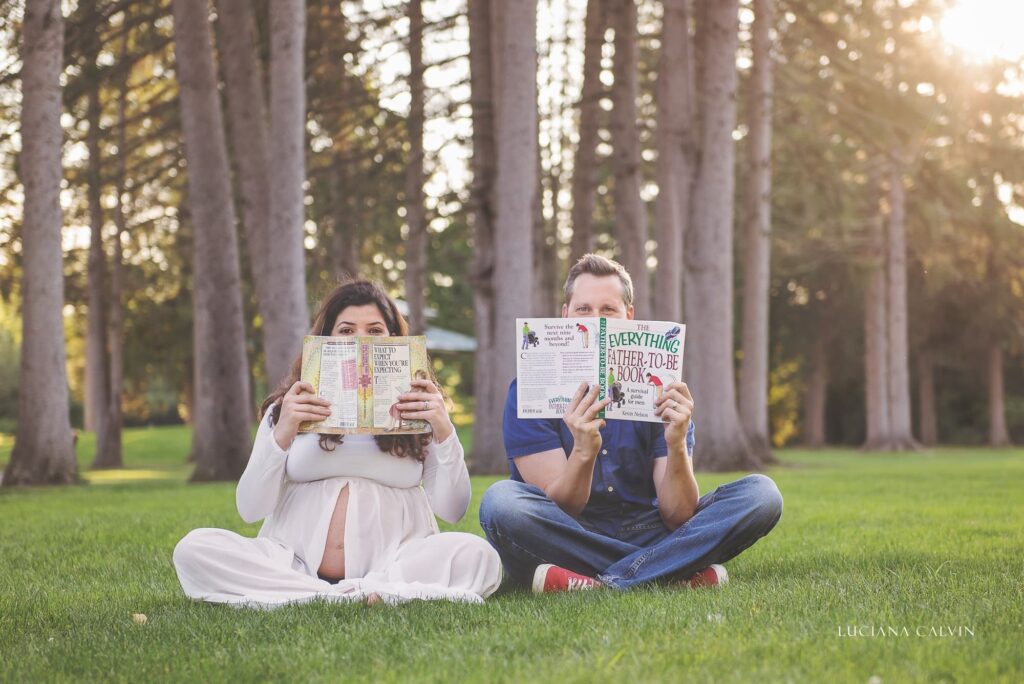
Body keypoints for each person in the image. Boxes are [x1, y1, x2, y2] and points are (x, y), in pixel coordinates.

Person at [173, 280, 502, 607]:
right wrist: (283, 431)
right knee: (193, 549)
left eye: (374, 331)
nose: (360, 340)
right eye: (346, 330)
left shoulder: (420, 412)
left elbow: (452, 510)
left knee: (480, 556)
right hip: (292, 563)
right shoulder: (287, 408)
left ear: (394, 339)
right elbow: (250, 509)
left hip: (395, 562)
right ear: (325, 339)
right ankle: (347, 596)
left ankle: (329, 595)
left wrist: (444, 429)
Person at [479, 254, 783, 593]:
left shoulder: (663, 389)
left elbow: (678, 515)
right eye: (583, 309)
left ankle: (602, 581)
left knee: (762, 494)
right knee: (500, 503)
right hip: (569, 531)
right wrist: (583, 452)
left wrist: (677, 442)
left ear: (629, 316)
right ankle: (670, 570)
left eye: (608, 310)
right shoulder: (529, 390)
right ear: (565, 315)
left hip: (648, 529)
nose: (596, 320)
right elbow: (562, 508)